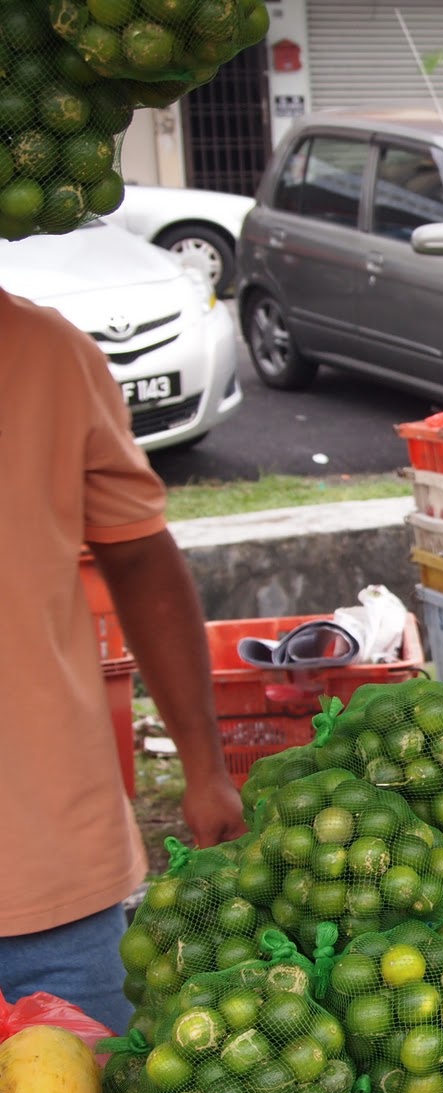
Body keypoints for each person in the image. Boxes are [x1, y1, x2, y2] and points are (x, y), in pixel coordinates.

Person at [0, 285, 247, 1033]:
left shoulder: (46, 351)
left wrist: (205, 770)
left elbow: (140, 558)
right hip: (54, 867)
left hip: (52, 878)